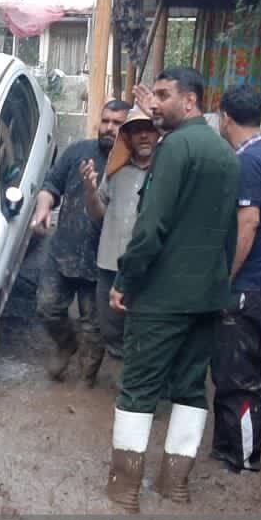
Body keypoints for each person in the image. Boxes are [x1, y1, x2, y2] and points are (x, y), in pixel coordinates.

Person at [104, 68, 239, 512]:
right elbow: (228, 234)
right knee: (191, 388)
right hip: (207, 296)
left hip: (163, 296)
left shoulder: (175, 148)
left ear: (192, 101)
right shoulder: (225, 152)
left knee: (138, 387)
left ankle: (124, 489)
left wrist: (126, 280)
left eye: (163, 96)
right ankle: (174, 485)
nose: (154, 104)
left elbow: (151, 227)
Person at [208, 84, 261, 474]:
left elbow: (248, 222)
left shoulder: (250, 161)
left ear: (225, 118)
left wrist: (225, 276)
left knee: (240, 376)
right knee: (227, 370)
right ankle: (226, 447)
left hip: (247, 287)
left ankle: (246, 457)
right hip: (255, 285)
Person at [29, 99, 128, 384]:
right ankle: (65, 344)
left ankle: (86, 383)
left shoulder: (131, 165)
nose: (109, 128)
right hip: (63, 251)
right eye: (106, 120)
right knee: (47, 308)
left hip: (102, 261)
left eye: (117, 123)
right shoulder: (78, 152)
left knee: (95, 329)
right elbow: (51, 185)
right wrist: (44, 206)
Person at [82, 107, 159, 361]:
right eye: (137, 131)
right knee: (111, 330)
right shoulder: (116, 171)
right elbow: (98, 214)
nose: (144, 136)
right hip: (110, 264)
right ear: (128, 138)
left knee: (147, 333)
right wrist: (90, 191)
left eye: (149, 129)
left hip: (149, 268)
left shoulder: (166, 172)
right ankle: (121, 392)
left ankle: (141, 391)